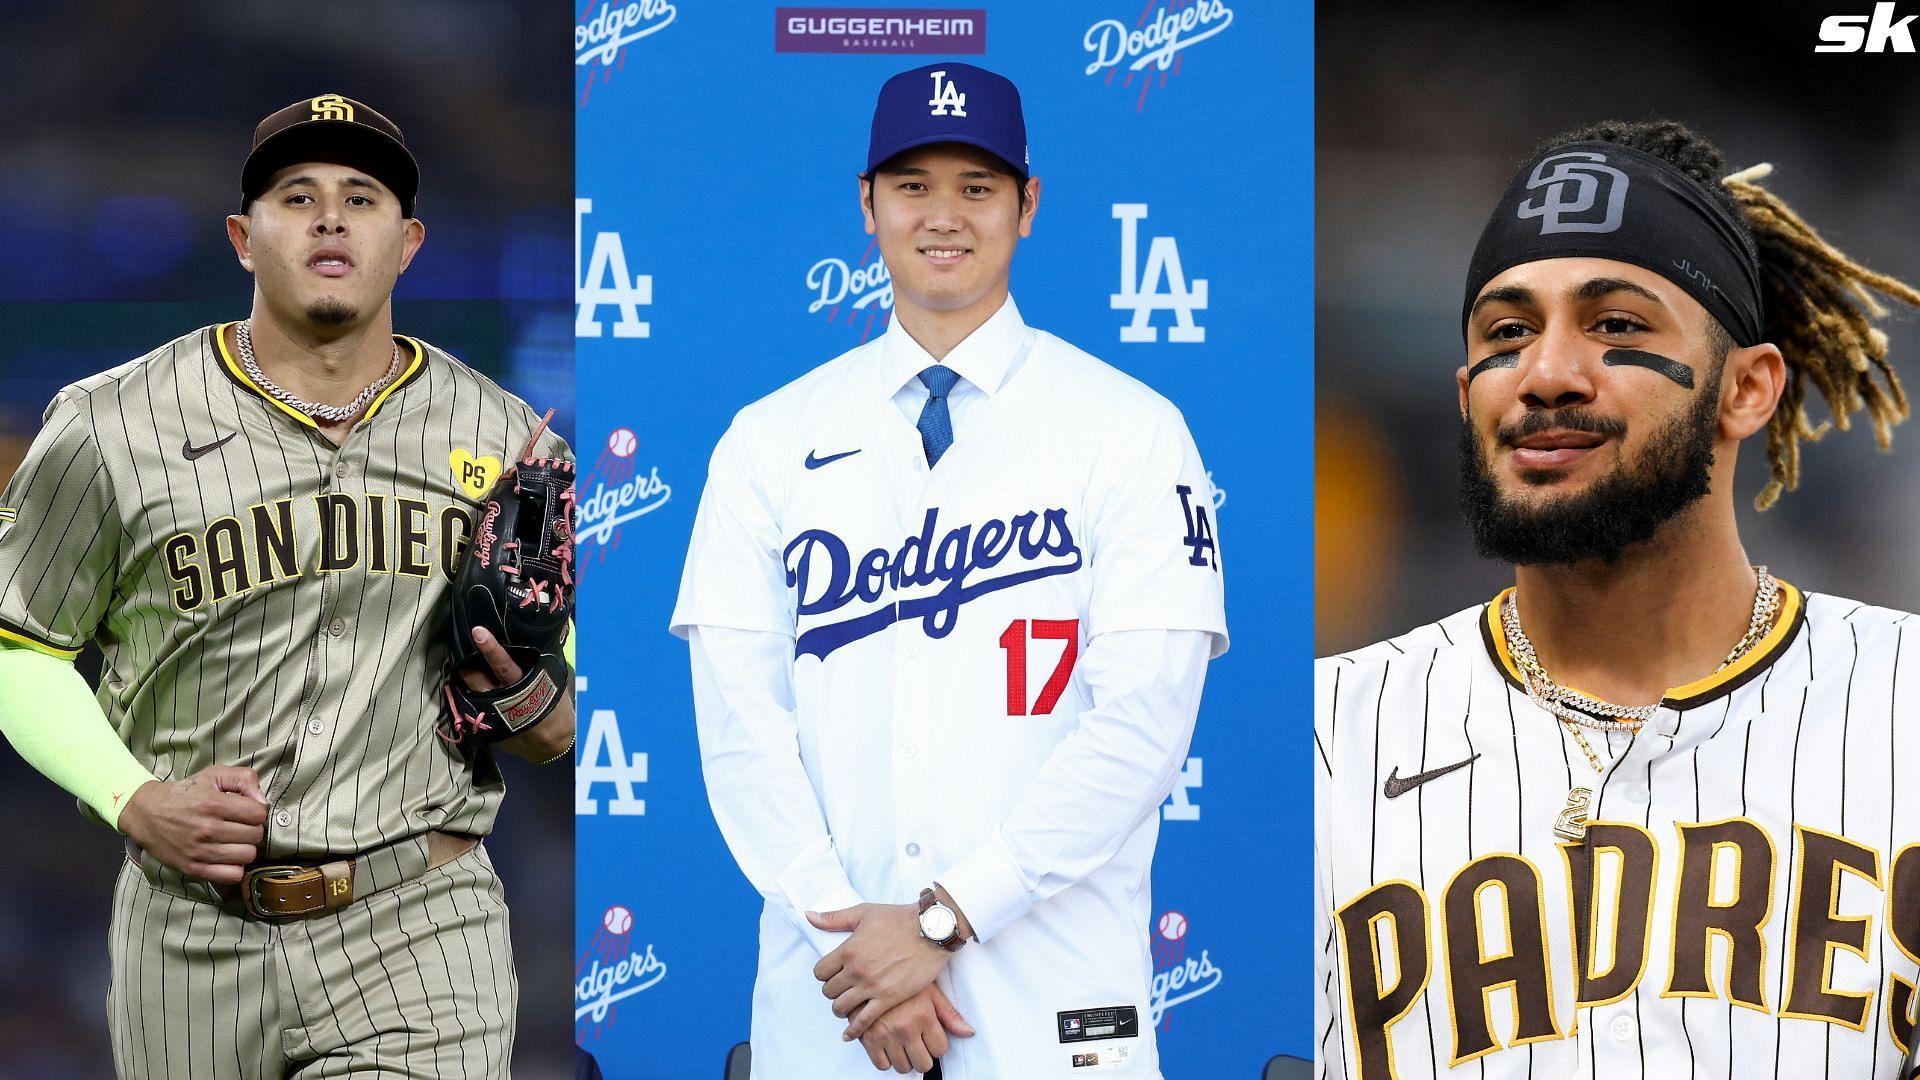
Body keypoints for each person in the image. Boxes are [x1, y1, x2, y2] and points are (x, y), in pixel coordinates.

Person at [1315, 119, 1920, 1077]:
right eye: (1507, 332)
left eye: (1618, 326)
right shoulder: (1320, 741)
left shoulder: (1909, 707)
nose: (1547, 373)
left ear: (1749, 388)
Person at [671, 63, 1227, 1078]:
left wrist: (941, 918)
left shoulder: (1132, 430)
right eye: (913, 183)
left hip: (1051, 1003)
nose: (944, 215)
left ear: (1028, 206)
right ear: (867, 204)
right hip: (834, 1005)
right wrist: (859, 943)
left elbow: (1143, 721)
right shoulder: (768, 438)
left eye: (977, 186)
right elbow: (740, 730)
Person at [0, 93, 574, 1078]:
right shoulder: (106, 425)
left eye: (363, 197)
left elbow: (566, 719)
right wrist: (133, 799)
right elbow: (23, 648)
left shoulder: (505, 437)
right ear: (242, 238)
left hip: (418, 923)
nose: (330, 218)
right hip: (189, 939)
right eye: (295, 195)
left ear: (409, 243)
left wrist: (527, 699)